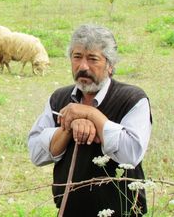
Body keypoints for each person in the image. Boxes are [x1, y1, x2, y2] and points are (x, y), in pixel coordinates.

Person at [28, 24, 152, 217]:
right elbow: (36, 153)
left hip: (123, 212)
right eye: (77, 57)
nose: (83, 66)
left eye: (93, 59)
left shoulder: (132, 99)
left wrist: (91, 115)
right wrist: (68, 128)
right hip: (69, 211)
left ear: (110, 65)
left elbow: (131, 153)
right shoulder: (59, 98)